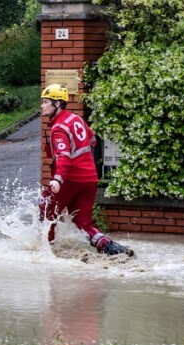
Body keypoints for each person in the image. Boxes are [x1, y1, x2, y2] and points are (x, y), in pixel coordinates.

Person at [38, 84, 133, 256]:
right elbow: (92, 139)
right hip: (89, 179)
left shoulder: (58, 128)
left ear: (57, 104)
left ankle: (48, 250)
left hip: (70, 179)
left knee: (46, 209)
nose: (42, 106)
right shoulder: (76, 119)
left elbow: (64, 156)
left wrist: (58, 178)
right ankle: (107, 245)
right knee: (82, 222)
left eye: (45, 102)